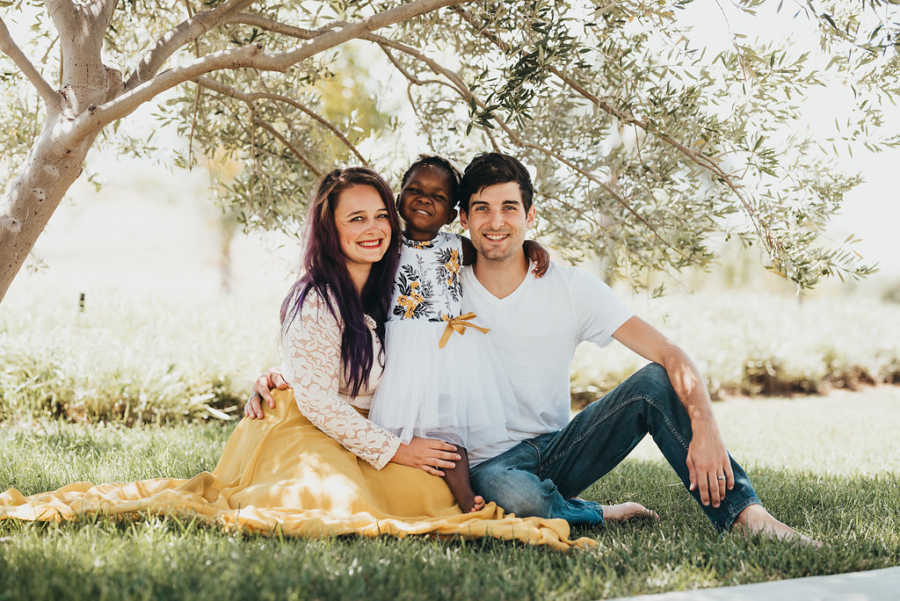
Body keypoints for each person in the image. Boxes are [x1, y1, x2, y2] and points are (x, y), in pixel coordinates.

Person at [0, 167, 595, 550]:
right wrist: (394, 447)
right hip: (304, 430)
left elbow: (451, 250)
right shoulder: (318, 296)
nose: (373, 228)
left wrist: (529, 246)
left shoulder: (386, 286)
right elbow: (314, 395)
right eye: (355, 219)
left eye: (379, 215)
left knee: (433, 488)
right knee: (335, 505)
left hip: (349, 424)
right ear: (329, 229)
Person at [252, 153, 815, 542]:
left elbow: (672, 354)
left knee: (652, 384)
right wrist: (285, 373)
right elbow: (359, 332)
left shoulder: (567, 285)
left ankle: (745, 514)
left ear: (529, 215)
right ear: (465, 219)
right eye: (483, 211)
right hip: (481, 464)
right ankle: (591, 512)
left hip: (556, 445)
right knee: (513, 497)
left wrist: (708, 430)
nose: (496, 224)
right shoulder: (429, 266)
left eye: (510, 210)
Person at [366, 155, 546, 513]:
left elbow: (497, 250)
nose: (424, 199)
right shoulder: (386, 245)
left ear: (452, 214)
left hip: (449, 351)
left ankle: (466, 499)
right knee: (400, 425)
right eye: (414, 190)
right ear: (398, 198)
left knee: (449, 431)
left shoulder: (455, 246)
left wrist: (529, 247)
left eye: (438, 197)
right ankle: (399, 492)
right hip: (403, 350)